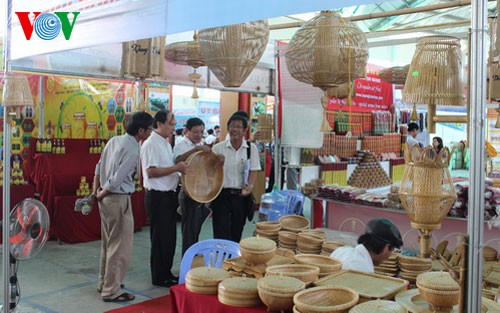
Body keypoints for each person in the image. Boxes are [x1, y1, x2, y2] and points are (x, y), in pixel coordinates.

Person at [92, 111, 153, 302]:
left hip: (105, 198)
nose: (151, 132)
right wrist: (103, 191)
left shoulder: (114, 140)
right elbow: (117, 179)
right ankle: (112, 291)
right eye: (149, 129)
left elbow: (98, 167)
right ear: (141, 130)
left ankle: (105, 282)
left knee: (108, 243)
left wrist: (96, 192)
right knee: (120, 248)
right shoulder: (134, 149)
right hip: (116, 198)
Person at [140, 110, 188, 287]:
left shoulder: (166, 143)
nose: (173, 127)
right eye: (171, 123)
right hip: (157, 197)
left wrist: (178, 171)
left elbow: (169, 169)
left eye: (174, 124)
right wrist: (176, 168)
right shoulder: (151, 143)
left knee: (169, 238)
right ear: (159, 124)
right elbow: (151, 172)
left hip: (169, 195)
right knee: (160, 239)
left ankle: (166, 272)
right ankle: (159, 276)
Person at [212, 113, 261, 242]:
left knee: (237, 230)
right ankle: (220, 260)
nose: (235, 129)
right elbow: (209, 172)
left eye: (239, 127)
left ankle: (232, 260)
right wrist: (216, 163)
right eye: (232, 126)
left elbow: (254, 170)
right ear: (228, 128)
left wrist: (249, 187)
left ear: (245, 131)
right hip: (221, 195)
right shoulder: (218, 148)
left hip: (241, 196)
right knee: (220, 231)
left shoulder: (251, 148)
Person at [173, 117, 212, 255]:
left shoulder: (200, 144)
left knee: (196, 228)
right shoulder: (181, 145)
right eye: (195, 132)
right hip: (188, 192)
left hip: (200, 192)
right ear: (186, 131)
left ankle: (193, 255)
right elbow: (177, 160)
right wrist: (195, 151)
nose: (199, 135)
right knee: (189, 230)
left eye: (201, 132)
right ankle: (187, 260)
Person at [330, 218, 403, 273]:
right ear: (386, 248)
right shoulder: (363, 270)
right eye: (393, 250)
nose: (390, 256)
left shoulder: (341, 250)